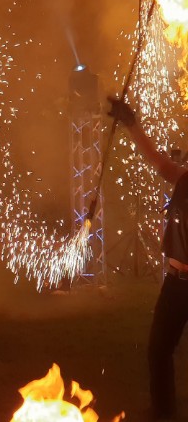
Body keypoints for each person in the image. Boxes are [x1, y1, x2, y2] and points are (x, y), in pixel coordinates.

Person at [109, 96, 187, 420]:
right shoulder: (184, 179)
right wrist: (130, 124)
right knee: (158, 349)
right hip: (176, 284)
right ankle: (163, 411)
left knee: (160, 350)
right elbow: (155, 159)